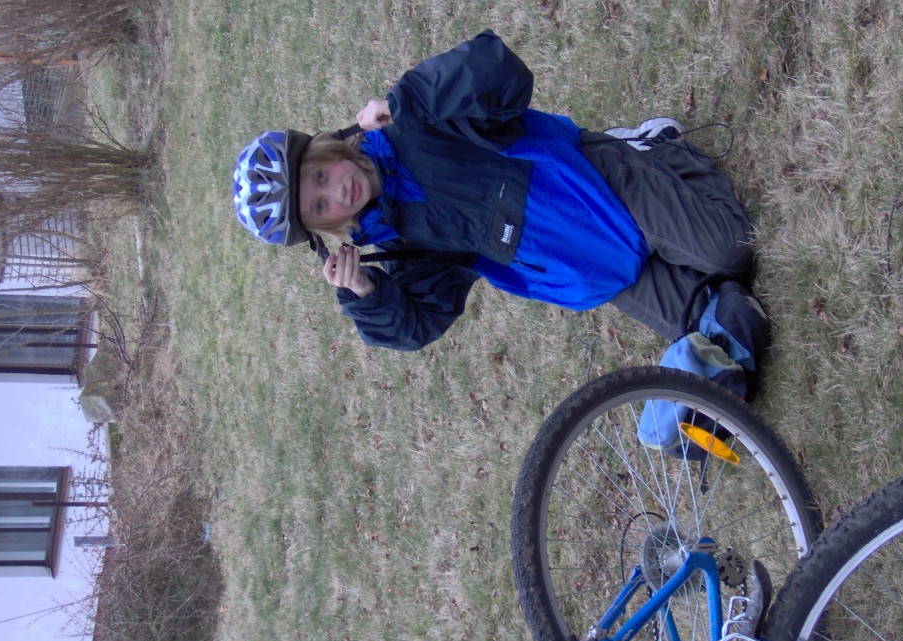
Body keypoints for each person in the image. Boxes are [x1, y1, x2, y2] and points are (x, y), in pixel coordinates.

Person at [233, 30, 769, 449]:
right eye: (320, 206)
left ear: (326, 150)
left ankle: (652, 147)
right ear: (323, 230)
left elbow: (502, 72)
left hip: (596, 184)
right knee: (709, 330)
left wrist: (411, 101)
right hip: (585, 266)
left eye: (321, 176)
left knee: (731, 250)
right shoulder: (400, 245)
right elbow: (423, 320)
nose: (336, 192)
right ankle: (710, 301)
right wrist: (371, 298)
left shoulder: (411, 123)